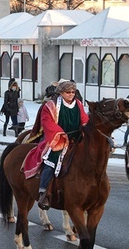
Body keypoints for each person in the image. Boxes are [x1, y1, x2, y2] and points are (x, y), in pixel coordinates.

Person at [33, 80, 89, 209]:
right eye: (67, 92)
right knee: (52, 159)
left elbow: (84, 119)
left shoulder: (79, 104)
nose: (71, 94)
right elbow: (47, 122)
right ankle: (44, 191)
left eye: (73, 92)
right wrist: (60, 134)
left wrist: (86, 128)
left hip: (76, 139)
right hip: (58, 139)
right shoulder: (51, 106)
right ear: (61, 92)